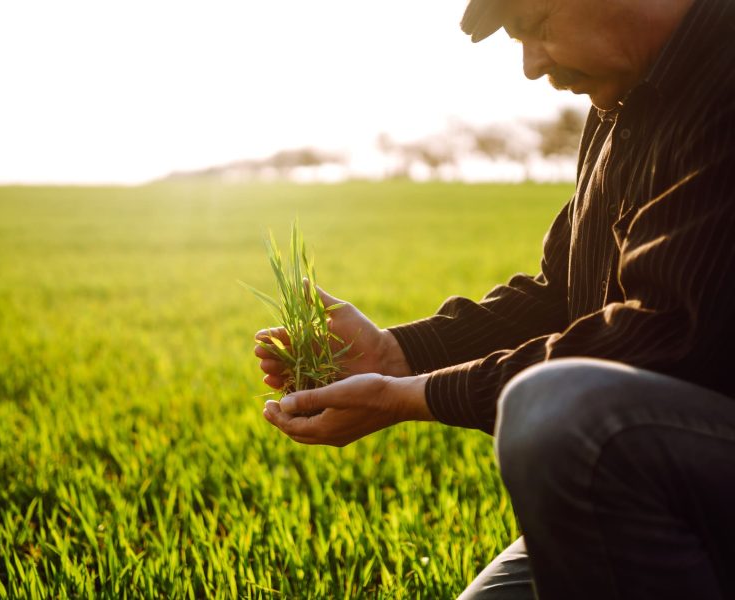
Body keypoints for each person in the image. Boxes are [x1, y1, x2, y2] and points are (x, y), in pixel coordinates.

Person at [255, 0, 735, 597]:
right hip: (666, 474)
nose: (531, 67)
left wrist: (411, 396)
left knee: (564, 416)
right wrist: (394, 354)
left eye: (535, 29)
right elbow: (564, 292)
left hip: (686, 460)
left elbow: (670, 336)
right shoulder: (622, 103)